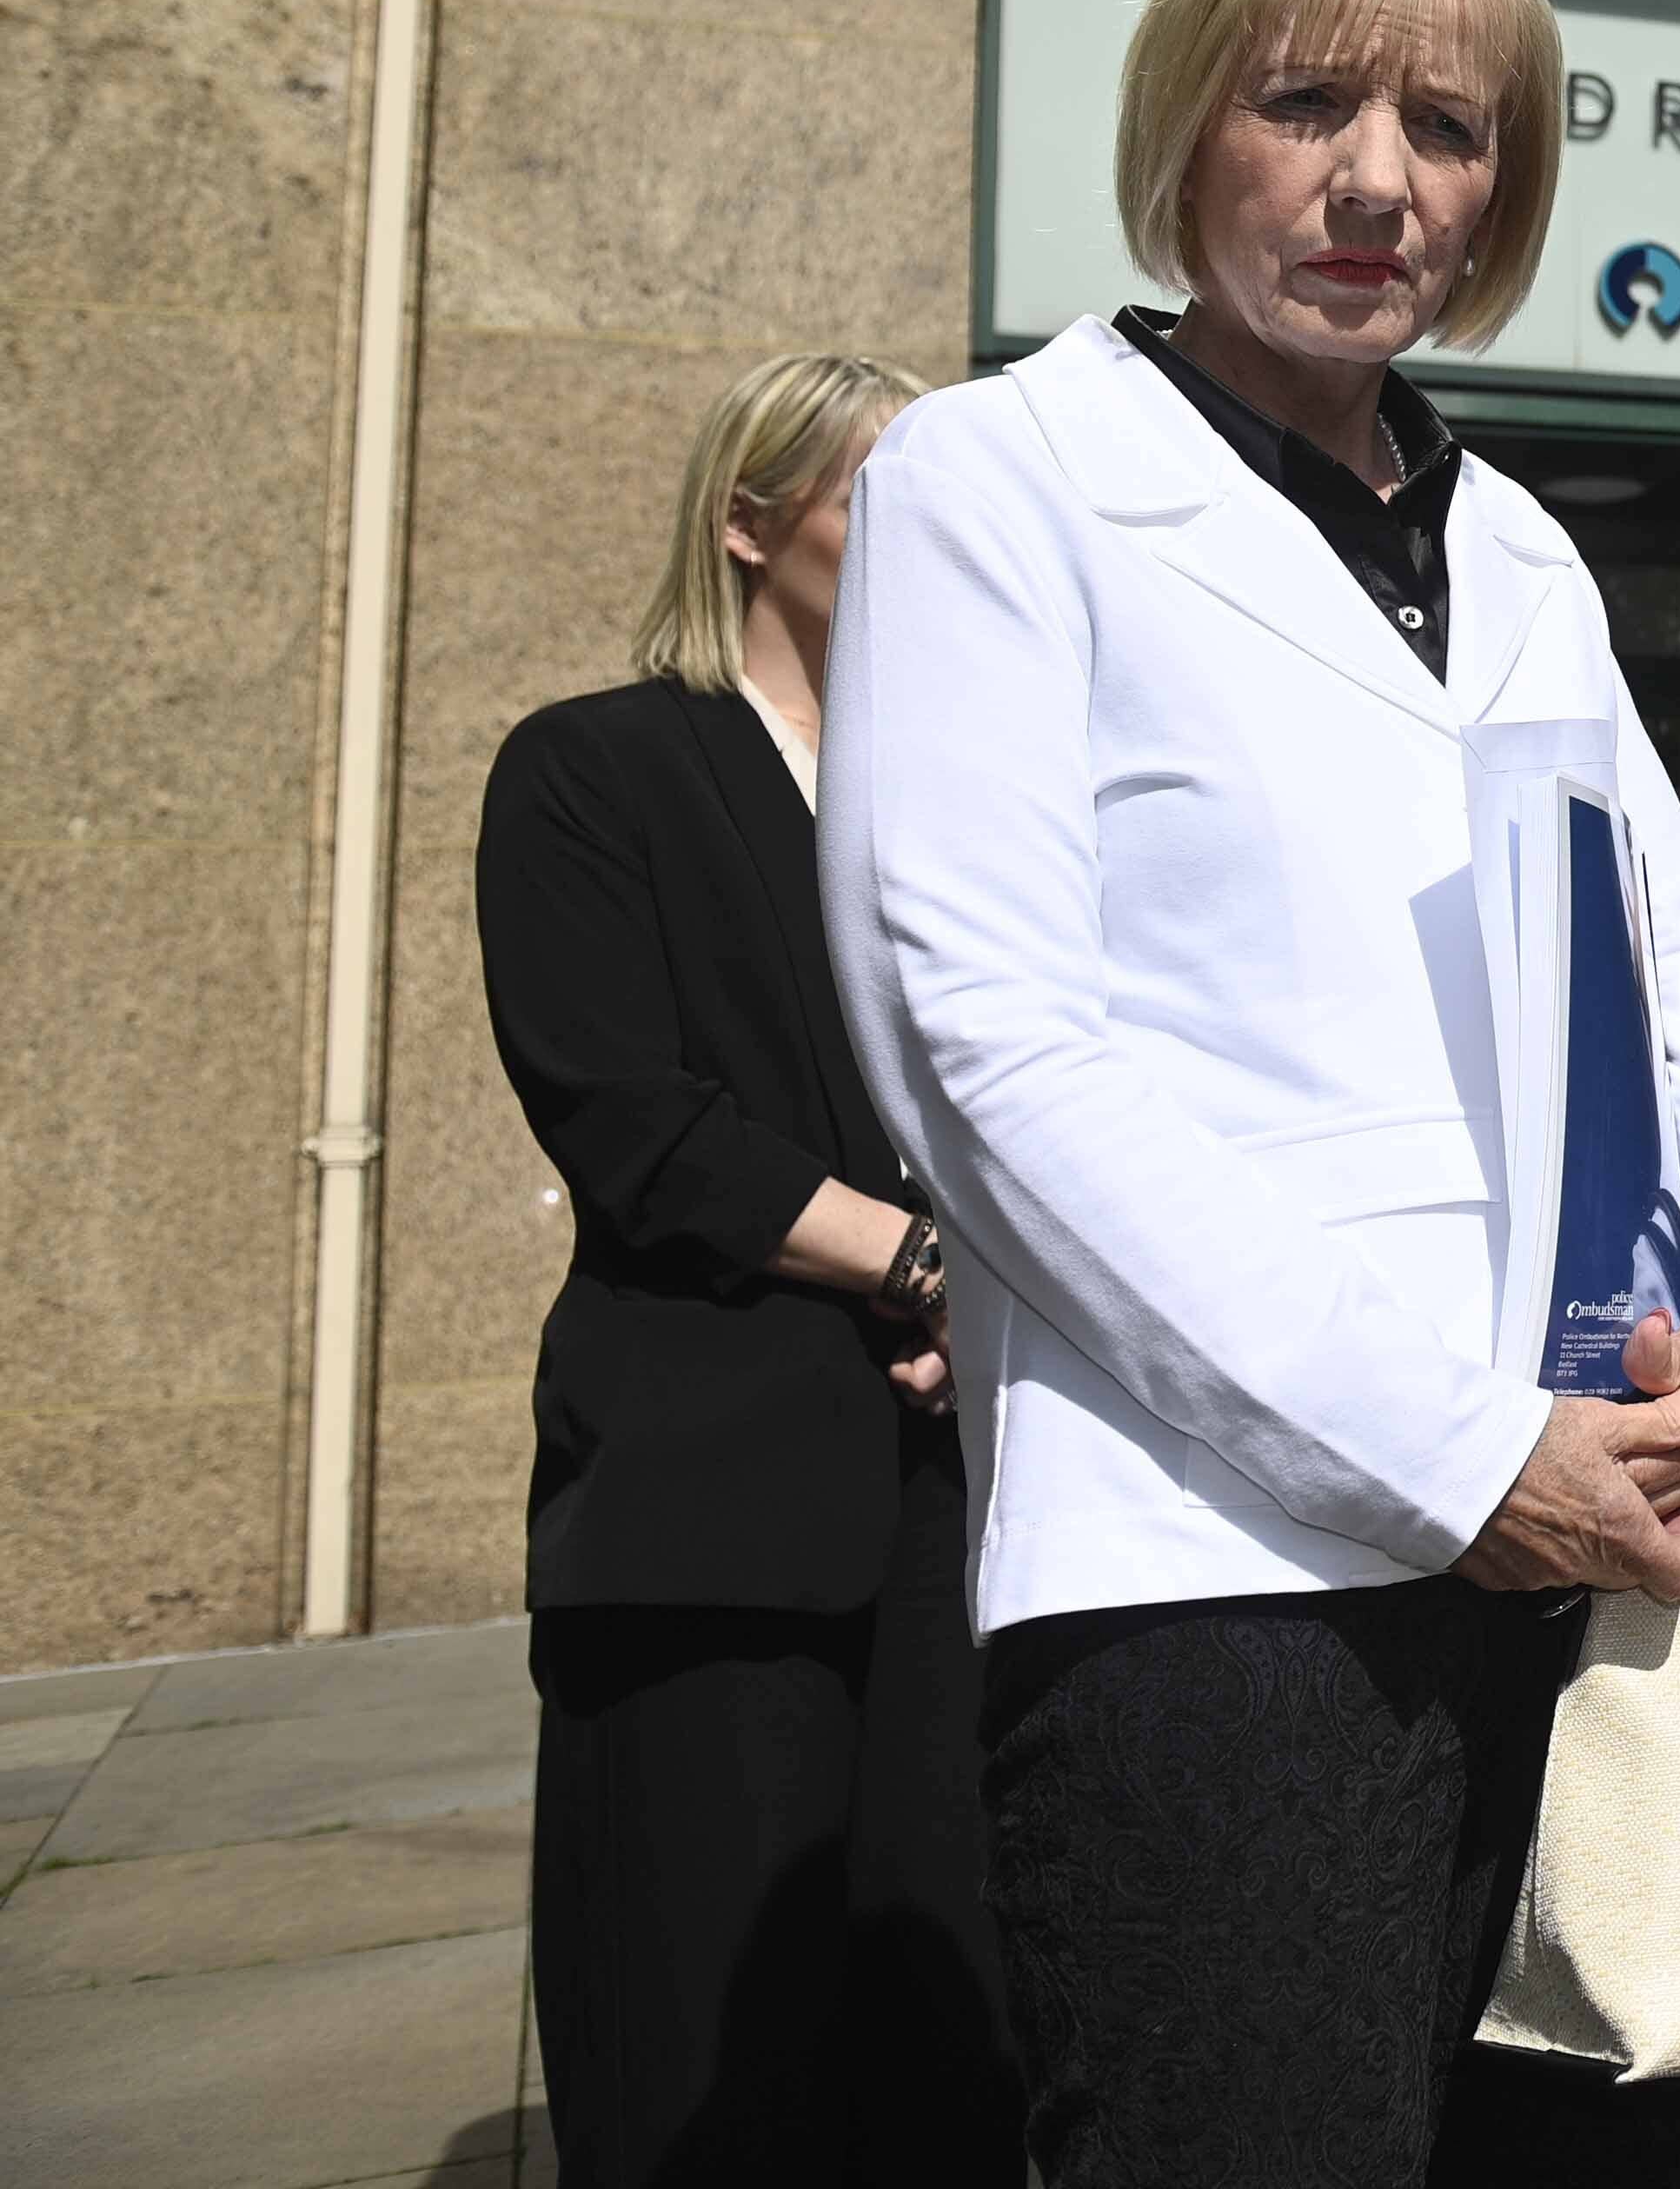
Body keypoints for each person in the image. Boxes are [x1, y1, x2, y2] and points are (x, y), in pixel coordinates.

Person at [819, 0, 1680, 2189]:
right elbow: (985, 1052)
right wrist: (1456, 1444)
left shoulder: (1521, 551)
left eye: (1454, 130)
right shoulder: (1000, 482)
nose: (1382, 180)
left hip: (1601, 1545)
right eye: (1309, 102)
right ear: (1187, 126)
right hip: (1226, 1589)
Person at [482, 349, 1019, 2189]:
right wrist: (938, 1269)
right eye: (881, 495)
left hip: (955, 1506)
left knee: (953, 2055)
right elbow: (634, 1121)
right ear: (746, 520)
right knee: (708, 2055)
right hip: (710, 1502)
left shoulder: (965, 801)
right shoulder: (591, 768)